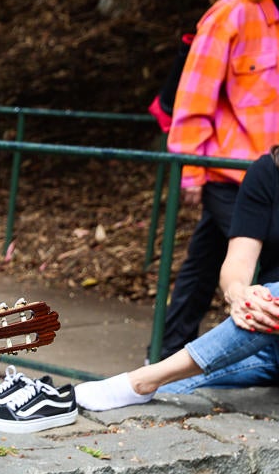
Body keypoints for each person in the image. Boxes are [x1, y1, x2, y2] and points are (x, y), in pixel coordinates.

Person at [77, 146, 279, 410]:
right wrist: (240, 294)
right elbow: (238, 260)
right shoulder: (267, 172)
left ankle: (144, 378)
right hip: (268, 336)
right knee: (169, 392)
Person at [159, 0, 279, 359]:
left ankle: (166, 355)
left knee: (206, 259)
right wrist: (191, 169)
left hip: (271, 173)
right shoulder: (232, 14)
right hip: (233, 173)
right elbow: (194, 98)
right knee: (256, 260)